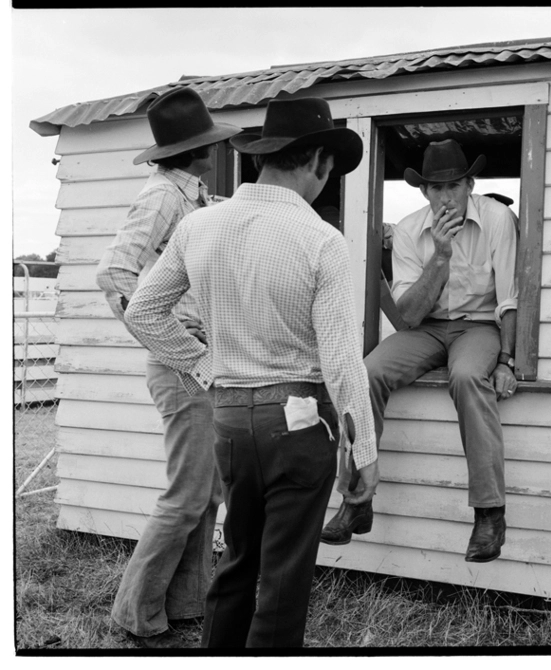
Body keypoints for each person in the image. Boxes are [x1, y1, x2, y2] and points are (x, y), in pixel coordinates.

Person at [122, 97, 379, 648]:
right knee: (283, 577)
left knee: (237, 561)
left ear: (263, 158)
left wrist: (204, 365)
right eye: (328, 168)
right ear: (317, 160)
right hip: (299, 419)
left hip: (231, 417)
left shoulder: (202, 225)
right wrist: (364, 456)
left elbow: (142, 310)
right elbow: (339, 359)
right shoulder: (321, 240)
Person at [321, 139, 519, 564]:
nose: (445, 197)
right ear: (424, 192)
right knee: (366, 373)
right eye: (435, 188)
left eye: (453, 186)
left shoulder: (498, 218)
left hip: (479, 326)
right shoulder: (411, 230)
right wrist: (441, 257)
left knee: (467, 377)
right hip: (427, 328)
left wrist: (506, 359)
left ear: (470, 184)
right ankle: (357, 501)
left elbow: (509, 299)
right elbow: (408, 315)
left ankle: (489, 514)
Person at [95, 87, 242, 648]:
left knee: (205, 494)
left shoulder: (195, 196)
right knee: (185, 496)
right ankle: (133, 613)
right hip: (180, 362)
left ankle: (183, 605)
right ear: (200, 148)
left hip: (194, 361)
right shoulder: (161, 197)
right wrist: (174, 344)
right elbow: (114, 273)